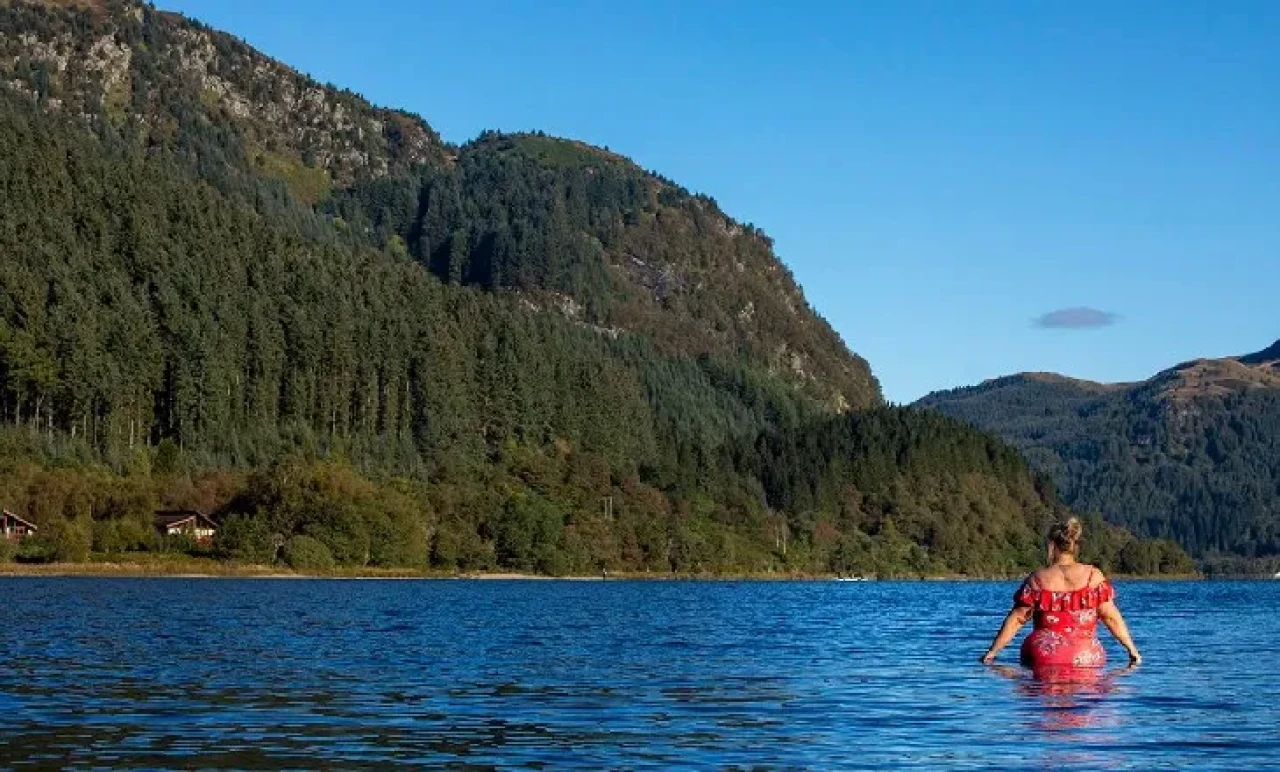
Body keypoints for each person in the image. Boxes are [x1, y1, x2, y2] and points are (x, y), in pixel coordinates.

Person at [981, 517, 1141, 671]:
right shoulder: (1093, 577)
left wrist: (992, 652)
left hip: (1044, 654)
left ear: (1051, 545)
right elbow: (1111, 618)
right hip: (1084, 655)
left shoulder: (1037, 579)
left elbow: (1016, 619)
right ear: (1075, 545)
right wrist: (1132, 650)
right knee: (1087, 693)